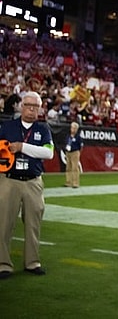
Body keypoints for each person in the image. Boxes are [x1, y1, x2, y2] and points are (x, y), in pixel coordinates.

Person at [0, 91, 54, 279]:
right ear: (21, 106)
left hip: (33, 181)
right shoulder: (7, 126)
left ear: (39, 108)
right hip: (9, 180)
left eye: (35, 106)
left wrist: (22, 147)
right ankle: (3, 264)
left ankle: (32, 262)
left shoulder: (43, 129)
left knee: (33, 224)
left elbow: (48, 153)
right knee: (4, 224)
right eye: (28, 105)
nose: (31, 109)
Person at [64, 122, 83, 188]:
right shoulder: (68, 136)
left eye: (74, 128)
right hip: (68, 152)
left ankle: (75, 183)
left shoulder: (78, 137)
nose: (73, 129)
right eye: (72, 128)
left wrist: (78, 152)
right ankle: (68, 182)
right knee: (68, 168)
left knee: (74, 168)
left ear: (77, 129)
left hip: (75, 152)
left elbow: (81, 146)